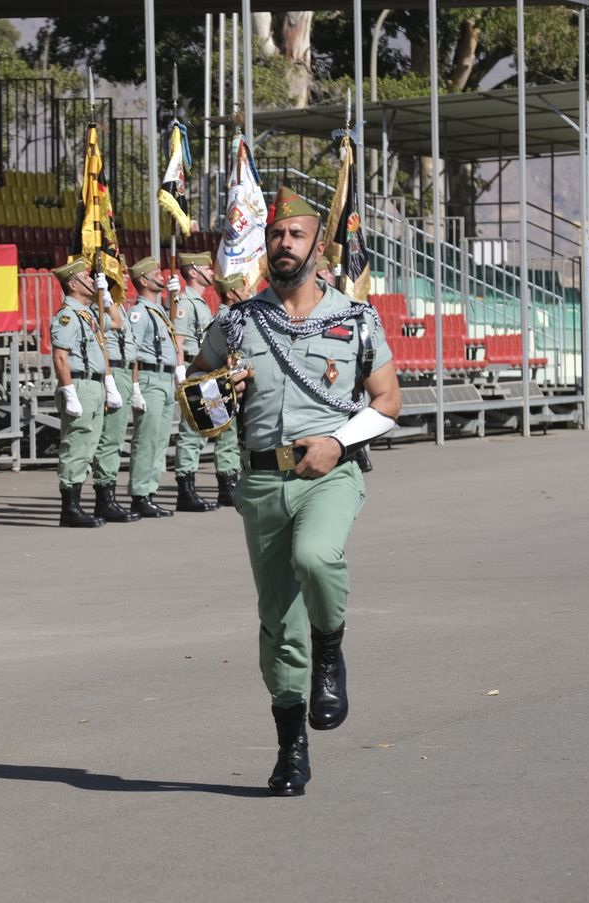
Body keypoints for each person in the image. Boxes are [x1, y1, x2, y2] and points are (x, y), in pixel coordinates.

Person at [189, 186, 401, 796]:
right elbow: (197, 404)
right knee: (277, 619)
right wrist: (220, 388)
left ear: (318, 245)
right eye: (276, 235)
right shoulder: (236, 321)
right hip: (260, 481)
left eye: (296, 235)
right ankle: (290, 748)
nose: (284, 244)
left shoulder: (355, 319)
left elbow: (388, 402)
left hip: (329, 473)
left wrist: (338, 442)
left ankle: (330, 646)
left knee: (317, 557)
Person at [48, 257, 123, 528]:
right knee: (76, 446)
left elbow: (116, 322)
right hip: (79, 383)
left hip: (94, 383)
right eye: (87, 277)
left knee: (88, 445)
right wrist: (68, 391)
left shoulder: (88, 312)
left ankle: (77, 505)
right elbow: (60, 357)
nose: (92, 281)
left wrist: (105, 297)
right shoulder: (67, 315)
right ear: (73, 283)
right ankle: (70, 508)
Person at [124, 256, 183, 519]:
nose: (162, 276)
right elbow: (132, 351)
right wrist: (135, 386)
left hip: (165, 379)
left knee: (159, 440)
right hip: (149, 378)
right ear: (145, 280)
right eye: (157, 273)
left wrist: (174, 298)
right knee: (147, 439)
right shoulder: (140, 312)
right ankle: (139, 494)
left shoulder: (158, 309)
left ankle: (150, 491)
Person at [169, 252, 228, 512]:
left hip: (208, 372)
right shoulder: (187, 302)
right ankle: (186, 488)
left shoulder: (202, 303)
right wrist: (181, 371)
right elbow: (178, 341)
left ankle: (223, 484)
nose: (212, 272)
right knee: (192, 432)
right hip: (195, 369)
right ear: (193, 271)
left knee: (209, 428)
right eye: (206, 267)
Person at [95, 286, 139, 522]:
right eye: (117, 273)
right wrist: (110, 378)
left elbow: (130, 346)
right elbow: (110, 328)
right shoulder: (98, 306)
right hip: (110, 370)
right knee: (109, 438)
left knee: (116, 436)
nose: (123, 277)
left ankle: (108, 496)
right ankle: (104, 498)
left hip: (123, 370)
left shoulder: (118, 305)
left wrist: (135, 384)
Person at [208, 273, 250, 506]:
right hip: (224, 381)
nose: (247, 292)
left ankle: (232, 480)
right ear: (232, 293)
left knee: (234, 434)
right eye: (243, 289)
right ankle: (227, 485)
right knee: (227, 435)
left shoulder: (235, 315)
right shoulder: (226, 317)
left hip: (232, 379)